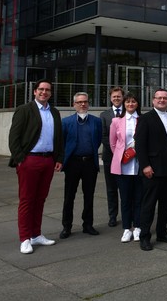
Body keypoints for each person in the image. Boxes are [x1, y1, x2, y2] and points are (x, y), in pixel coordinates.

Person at [8, 79, 63, 254]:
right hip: (29, 160)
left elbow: (59, 137)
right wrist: (20, 159)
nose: (44, 92)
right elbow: (13, 137)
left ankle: (36, 234)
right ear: (35, 91)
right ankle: (24, 238)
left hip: (48, 161)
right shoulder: (24, 110)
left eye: (47, 90)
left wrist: (58, 158)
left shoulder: (54, 112)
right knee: (26, 200)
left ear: (50, 93)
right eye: (41, 89)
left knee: (40, 199)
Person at [135, 89, 167, 251]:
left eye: (165, 98)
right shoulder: (145, 119)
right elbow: (139, 145)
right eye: (159, 98)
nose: (162, 100)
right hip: (152, 170)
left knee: (165, 204)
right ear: (153, 100)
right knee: (148, 204)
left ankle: (162, 232)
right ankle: (145, 236)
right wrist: (145, 165)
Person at [60, 92, 103, 239]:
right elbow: (62, 142)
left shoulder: (96, 121)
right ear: (74, 105)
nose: (82, 104)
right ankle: (67, 226)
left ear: (88, 104)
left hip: (90, 162)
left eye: (85, 101)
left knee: (89, 195)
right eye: (79, 102)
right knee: (69, 196)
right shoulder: (66, 122)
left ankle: (88, 225)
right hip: (73, 163)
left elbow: (97, 141)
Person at [110, 92, 143, 243]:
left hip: (139, 165)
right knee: (125, 199)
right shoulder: (116, 121)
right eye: (128, 102)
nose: (130, 104)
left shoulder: (143, 120)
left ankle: (137, 227)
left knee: (138, 199)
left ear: (137, 104)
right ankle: (126, 229)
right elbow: (113, 143)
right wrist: (122, 155)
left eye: (133, 102)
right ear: (124, 104)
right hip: (123, 165)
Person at [99, 87, 123, 227]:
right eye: (114, 97)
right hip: (111, 156)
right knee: (111, 188)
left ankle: (129, 213)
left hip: (128, 157)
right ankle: (112, 215)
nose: (116, 98)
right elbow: (104, 136)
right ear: (110, 98)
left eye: (119, 96)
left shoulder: (128, 112)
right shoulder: (104, 115)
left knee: (127, 187)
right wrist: (116, 150)